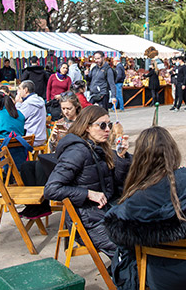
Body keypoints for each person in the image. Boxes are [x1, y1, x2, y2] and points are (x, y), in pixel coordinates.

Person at [104, 126, 186, 290]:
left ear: (140, 159)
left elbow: (117, 236)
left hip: (155, 275)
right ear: (174, 151)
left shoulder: (134, 201)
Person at [44, 105, 131, 259]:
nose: (107, 130)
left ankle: (130, 275)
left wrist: (121, 157)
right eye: (102, 125)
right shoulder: (77, 152)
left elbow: (113, 184)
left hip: (105, 211)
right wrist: (88, 194)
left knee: (144, 229)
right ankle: (129, 278)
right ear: (87, 127)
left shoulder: (99, 147)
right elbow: (51, 189)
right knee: (131, 245)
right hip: (87, 221)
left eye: (109, 125)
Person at [17, 92, 83, 220]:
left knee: (41, 166)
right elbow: (52, 147)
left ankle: (43, 205)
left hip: (74, 159)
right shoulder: (60, 122)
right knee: (26, 166)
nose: (66, 112)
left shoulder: (82, 122)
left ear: (76, 107)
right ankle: (33, 204)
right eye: (63, 109)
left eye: (69, 108)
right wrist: (53, 138)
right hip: (59, 156)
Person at [16, 80, 47, 146]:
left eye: (19, 89)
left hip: (31, 138)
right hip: (41, 137)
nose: (18, 92)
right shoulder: (40, 100)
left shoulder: (29, 103)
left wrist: (17, 103)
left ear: (25, 90)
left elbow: (17, 118)